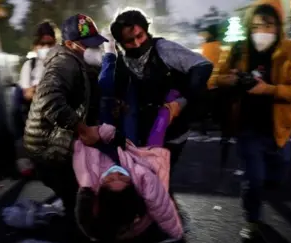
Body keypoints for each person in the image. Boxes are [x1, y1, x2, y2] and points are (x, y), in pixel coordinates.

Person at [216, 0, 291, 239]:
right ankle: (252, 220)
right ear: (249, 27)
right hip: (247, 127)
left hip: (279, 128)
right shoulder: (238, 50)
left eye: (268, 25)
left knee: (278, 171)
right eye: (256, 26)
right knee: (253, 178)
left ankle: (267, 188)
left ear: (278, 26)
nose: (262, 32)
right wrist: (231, 80)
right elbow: (216, 78)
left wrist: (267, 89)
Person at [23, 14, 108, 219]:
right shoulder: (65, 63)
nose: (92, 49)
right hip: (48, 148)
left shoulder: (78, 61)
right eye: (86, 44)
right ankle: (84, 237)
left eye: (94, 43)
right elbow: (49, 99)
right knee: (79, 196)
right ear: (69, 44)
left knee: (82, 194)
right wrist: (83, 129)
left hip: (58, 142)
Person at [109, 8, 213, 169]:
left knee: (158, 175)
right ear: (121, 43)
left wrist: (182, 101)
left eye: (140, 36)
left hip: (173, 126)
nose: (137, 43)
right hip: (144, 130)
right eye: (130, 41)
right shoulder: (123, 60)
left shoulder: (163, 48)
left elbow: (203, 66)